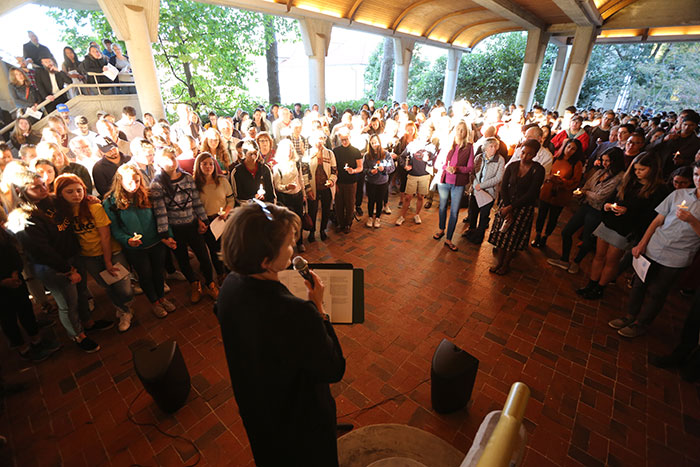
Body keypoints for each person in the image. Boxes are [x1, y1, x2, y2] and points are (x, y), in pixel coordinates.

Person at [216, 201, 345, 466]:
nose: (294, 248)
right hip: (300, 425)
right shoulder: (298, 313)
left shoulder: (229, 285)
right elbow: (334, 368)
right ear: (265, 261)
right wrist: (318, 308)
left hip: (258, 412)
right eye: (288, 243)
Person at [6, 169, 107, 353]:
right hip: (53, 267)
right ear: (21, 191)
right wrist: (68, 270)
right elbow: (42, 251)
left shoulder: (53, 200)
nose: (43, 188)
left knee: (82, 292)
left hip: (73, 256)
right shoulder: (23, 217)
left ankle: (88, 322)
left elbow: (75, 202)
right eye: (36, 187)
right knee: (68, 303)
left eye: (43, 184)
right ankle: (78, 335)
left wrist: (88, 199)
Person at [609, 161, 700, 338]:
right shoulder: (679, 194)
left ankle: (641, 324)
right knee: (638, 284)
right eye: (696, 175)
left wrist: (692, 221)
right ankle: (630, 316)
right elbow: (658, 220)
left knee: (658, 291)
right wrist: (642, 243)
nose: (699, 179)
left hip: (677, 256)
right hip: (655, 245)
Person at [577, 152, 669, 300]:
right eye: (635, 169)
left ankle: (600, 288)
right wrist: (607, 206)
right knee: (599, 255)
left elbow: (649, 215)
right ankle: (591, 283)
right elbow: (614, 197)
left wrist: (628, 211)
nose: (637, 173)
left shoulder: (658, 190)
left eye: (641, 169)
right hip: (609, 221)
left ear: (652, 169)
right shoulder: (628, 180)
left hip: (626, 229)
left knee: (611, 260)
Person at [54, 174, 135, 332]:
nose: (76, 195)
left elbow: (105, 235)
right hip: (88, 257)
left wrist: (107, 261)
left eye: (79, 190)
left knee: (125, 290)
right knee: (107, 286)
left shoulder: (94, 207)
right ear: (60, 194)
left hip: (111, 252)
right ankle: (124, 311)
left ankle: (126, 304)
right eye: (69, 192)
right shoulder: (63, 213)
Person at [103, 164, 176, 319]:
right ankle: (154, 302)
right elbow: (115, 230)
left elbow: (162, 218)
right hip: (136, 249)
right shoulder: (111, 203)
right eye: (129, 182)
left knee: (158, 272)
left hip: (156, 242)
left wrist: (168, 236)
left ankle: (162, 298)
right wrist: (127, 240)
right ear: (119, 181)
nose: (134, 186)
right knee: (145, 275)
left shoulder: (148, 194)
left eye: (137, 181)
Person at [151, 147, 218, 303]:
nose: (171, 162)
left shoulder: (187, 178)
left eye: (173, 157)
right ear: (159, 163)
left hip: (192, 225)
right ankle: (194, 284)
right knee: (182, 260)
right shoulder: (157, 184)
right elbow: (160, 212)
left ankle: (210, 283)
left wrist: (203, 221)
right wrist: (165, 235)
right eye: (166, 159)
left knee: (204, 257)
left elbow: (196, 202)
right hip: (175, 229)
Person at [548, 147, 625, 273]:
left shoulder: (619, 177)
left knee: (586, 239)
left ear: (615, 161)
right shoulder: (601, 171)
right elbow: (588, 185)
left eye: (607, 161)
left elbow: (601, 196)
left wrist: (586, 192)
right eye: (603, 160)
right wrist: (585, 192)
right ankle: (564, 259)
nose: (604, 163)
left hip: (598, 211)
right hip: (587, 205)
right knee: (566, 231)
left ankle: (576, 262)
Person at [0, 225, 61, 362]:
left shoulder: (2, 233)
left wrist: (16, 272)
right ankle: (24, 349)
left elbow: (13, 252)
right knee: (7, 319)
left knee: (25, 310)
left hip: (15, 279)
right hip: (2, 288)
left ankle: (37, 341)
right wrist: (3, 282)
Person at [488, 139, 545, 275]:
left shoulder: (538, 170)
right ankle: (499, 262)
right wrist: (507, 206)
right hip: (507, 205)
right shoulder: (512, 166)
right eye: (523, 152)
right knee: (502, 235)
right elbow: (503, 187)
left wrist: (512, 207)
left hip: (523, 208)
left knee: (513, 238)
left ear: (535, 155)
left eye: (529, 154)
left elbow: (532, 193)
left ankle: (506, 264)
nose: (525, 156)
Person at [531, 138, 584, 249]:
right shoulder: (555, 158)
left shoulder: (576, 164)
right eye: (568, 147)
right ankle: (538, 235)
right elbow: (546, 171)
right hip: (547, 191)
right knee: (541, 215)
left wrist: (562, 181)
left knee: (553, 217)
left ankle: (545, 237)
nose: (569, 150)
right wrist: (549, 177)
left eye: (573, 149)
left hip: (561, 195)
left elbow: (575, 181)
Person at [434, 121, 474, 251]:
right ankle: (441, 229)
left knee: (454, 212)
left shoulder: (469, 147)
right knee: (442, 207)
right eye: (458, 129)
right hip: (445, 180)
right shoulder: (448, 144)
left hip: (458, 183)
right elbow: (437, 163)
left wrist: (457, 169)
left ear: (466, 132)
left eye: (462, 130)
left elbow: (470, 167)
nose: (460, 132)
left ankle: (449, 238)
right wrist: (447, 168)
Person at [193, 152, 234, 278]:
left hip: (222, 219)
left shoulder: (222, 181)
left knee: (227, 247)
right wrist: (199, 221)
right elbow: (193, 205)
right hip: (207, 222)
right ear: (198, 166)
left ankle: (231, 273)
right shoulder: (194, 184)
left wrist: (226, 212)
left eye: (211, 164)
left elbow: (230, 199)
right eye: (204, 164)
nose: (208, 167)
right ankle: (221, 275)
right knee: (214, 250)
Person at [463, 137, 505, 244]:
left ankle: (479, 237)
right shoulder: (478, 157)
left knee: (484, 216)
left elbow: (498, 178)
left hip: (489, 193)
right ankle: (471, 232)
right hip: (475, 191)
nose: (493, 148)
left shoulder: (500, 159)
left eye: (495, 146)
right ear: (485, 148)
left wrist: (482, 185)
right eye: (491, 146)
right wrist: (476, 185)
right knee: (473, 213)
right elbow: (472, 173)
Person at [303, 132, 338, 239]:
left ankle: (323, 230)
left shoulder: (330, 153)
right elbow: (304, 172)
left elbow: (334, 171)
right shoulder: (308, 153)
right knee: (312, 210)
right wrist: (308, 188)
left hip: (326, 187)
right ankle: (312, 231)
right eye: (317, 139)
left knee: (326, 209)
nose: (319, 141)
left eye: (322, 139)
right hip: (313, 188)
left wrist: (331, 181)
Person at [395, 134, 437, 226]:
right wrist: (405, 165)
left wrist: (429, 160)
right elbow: (401, 157)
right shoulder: (412, 145)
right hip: (412, 174)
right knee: (408, 197)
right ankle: (402, 216)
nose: (424, 135)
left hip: (425, 175)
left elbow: (435, 160)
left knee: (420, 196)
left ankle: (417, 214)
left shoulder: (431, 147)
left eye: (426, 133)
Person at [272, 140, 306, 251]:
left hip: (298, 195)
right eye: (286, 149)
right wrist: (287, 187)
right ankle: (288, 243)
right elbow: (277, 185)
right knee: (287, 222)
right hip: (285, 197)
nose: (289, 152)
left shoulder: (297, 163)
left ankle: (300, 242)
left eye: (290, 149)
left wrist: (304, 194)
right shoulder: (277, 168)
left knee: (299, 219)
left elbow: (301, 179)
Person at [332, 128, 363, 233]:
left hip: (351, 182)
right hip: (339, 181)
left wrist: (353, 171)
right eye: (342, 139)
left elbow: (360, 167)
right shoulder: (336, 151)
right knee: (339, 203)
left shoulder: (355, 151)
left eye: (346, 139)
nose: (344, 141)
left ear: (350, 137)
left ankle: (348, 223)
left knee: (350, 203)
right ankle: (340, 223)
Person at [362, 133, 394, 229]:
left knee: (379, 200)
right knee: (371, 200)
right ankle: (370, 217)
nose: (375, 144)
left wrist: (383, 169)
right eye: (372, 143)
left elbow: (392, 167)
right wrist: (370, 171)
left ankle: (378, 218)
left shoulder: (386, 154)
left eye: (376, 142)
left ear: (380, 142)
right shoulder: (367, 155)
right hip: (371, 182)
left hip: (382, 182)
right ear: (370, 144)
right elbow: (363, 169)